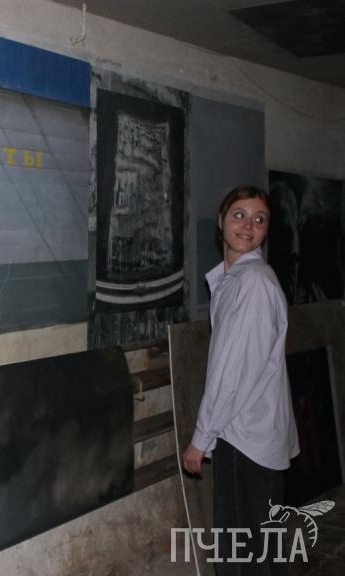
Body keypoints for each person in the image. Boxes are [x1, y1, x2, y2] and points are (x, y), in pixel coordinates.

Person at [182, 185, 300, 573]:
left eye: (259, 219)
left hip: (246, 436)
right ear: (221, 221)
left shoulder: (252, 284)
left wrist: (201, 438)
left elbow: (233, 373)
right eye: (239, 215)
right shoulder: (235, 281)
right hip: (252, 433)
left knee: (242, 557)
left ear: (267, 230)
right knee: (260, 552)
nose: (248, 226)